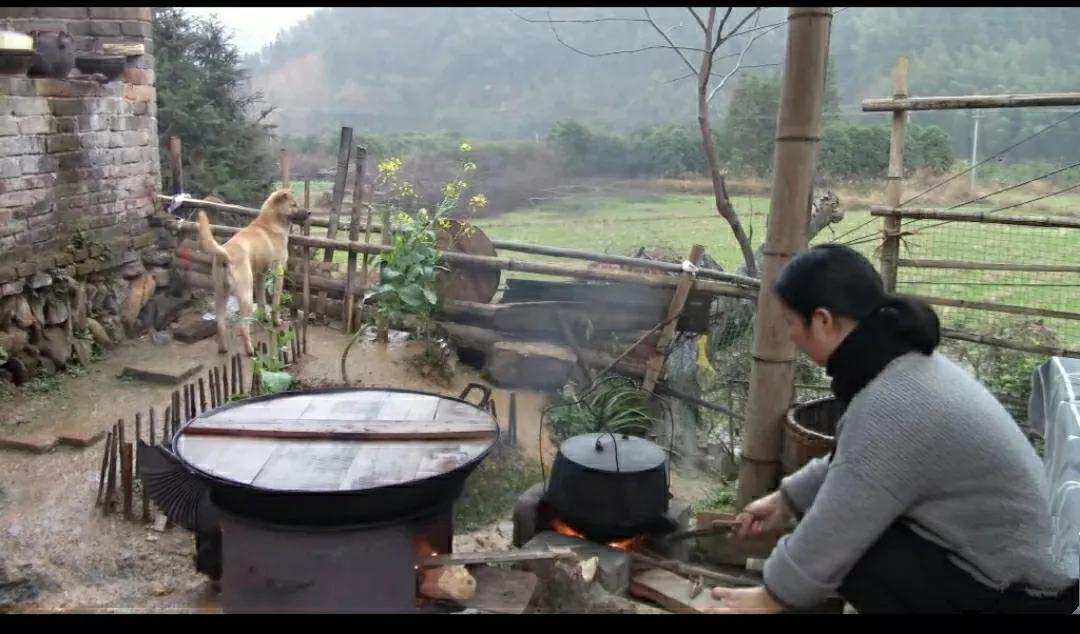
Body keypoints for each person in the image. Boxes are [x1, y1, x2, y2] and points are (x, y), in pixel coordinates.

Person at [709, 244, 1079, 614]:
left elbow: (839, 520)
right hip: (1006, 568)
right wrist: (785, 500)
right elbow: (861, 464)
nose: (790, 335)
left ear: (822, 321)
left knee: (853, 553)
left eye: (791, 322)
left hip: (1022, 595)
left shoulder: (894, 400)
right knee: (836, 531)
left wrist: (769, 597)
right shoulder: (903, 368)